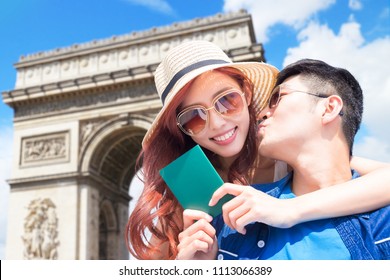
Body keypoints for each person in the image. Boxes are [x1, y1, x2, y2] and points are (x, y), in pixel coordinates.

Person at [125, 40, 390, 260]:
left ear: (247, 93)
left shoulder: (283, 153)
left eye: (227, 100)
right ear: (181, 129)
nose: (217, 123)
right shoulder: (187, 187)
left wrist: (288, 210)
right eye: (193, 117)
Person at [205, 59, 390, 260]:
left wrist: (288, 210)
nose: (263, 113)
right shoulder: (236, 216)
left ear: (329, 108)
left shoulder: (382, 222)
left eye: (278, 98)